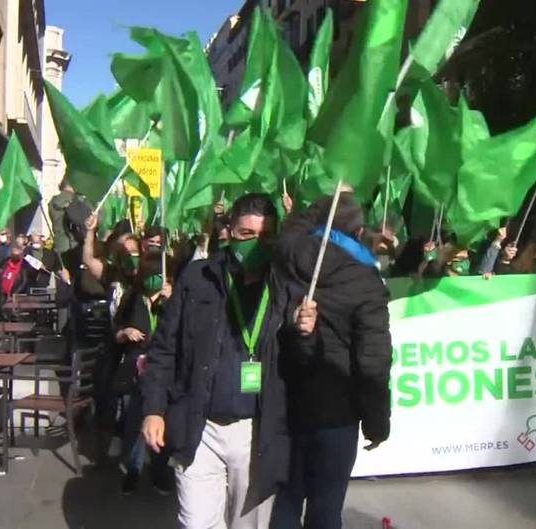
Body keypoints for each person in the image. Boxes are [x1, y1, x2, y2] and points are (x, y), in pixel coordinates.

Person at [142, 193, 307, 529]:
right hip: (198, 425)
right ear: (230, 231)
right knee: (197, 523)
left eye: (266, 235)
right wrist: (153, 409)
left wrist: (306, 330)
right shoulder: (197, 277)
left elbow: (304, 363)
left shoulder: (287, 286)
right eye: (247, 234)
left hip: (256, 432)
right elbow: (164, 348)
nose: (256, 243)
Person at [270, 193, 391, 529]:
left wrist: (313, 207)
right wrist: (377, 422)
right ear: (359, 231)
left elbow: (293, 230)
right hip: (337, 413)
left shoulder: (288, 252)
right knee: (326, 505)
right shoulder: (366, 279)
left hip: (285, 401)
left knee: (286, 498)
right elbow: (374, 361)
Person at [114, 254, 173, 495]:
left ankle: (159, 472)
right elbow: (115, 331)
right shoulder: (132, 299)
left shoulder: (172, 301)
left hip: (161, 371)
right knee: (133, 423)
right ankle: (133, 470)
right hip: (133, 369)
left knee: (160, 421)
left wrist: (171, 300)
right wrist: (125, 332)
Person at [0, 237, 30, 320]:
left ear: (21, 254)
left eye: (17, 253)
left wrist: (15, 294)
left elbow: (24, 281)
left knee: (13, 315)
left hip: (15, 295)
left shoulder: (24, 265)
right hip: (2, 294)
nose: (15, 254)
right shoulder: (5, 262)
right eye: (13, 252)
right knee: (1, 313)